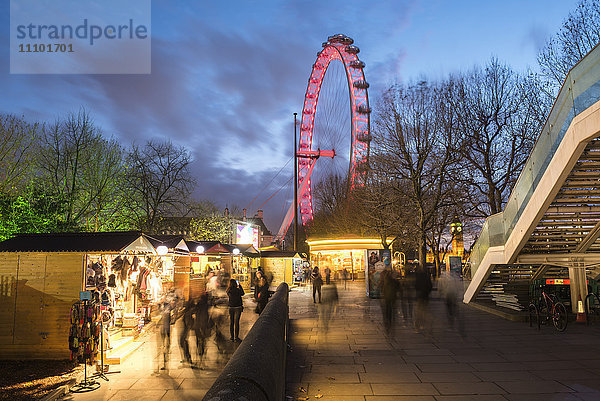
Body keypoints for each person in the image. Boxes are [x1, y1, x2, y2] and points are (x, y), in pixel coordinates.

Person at [379, 266, 399, 334]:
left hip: (387, 296)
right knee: (391, 308)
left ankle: (387, 318)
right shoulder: (393, 280)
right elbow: (398, 287)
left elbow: (381, 286)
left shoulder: (385, 279)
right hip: (392, 296)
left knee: (387, 308)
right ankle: (390, 319)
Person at [193, 292, 211, 366]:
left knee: (199, 341)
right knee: (203, 342)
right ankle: (202, 358)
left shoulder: (198, 305)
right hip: (203, 325)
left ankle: (200, 358)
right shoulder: (206, 306)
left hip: (198, 325)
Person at [414, 263, 432, 331]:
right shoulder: (427, 276)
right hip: (425, 295)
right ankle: (425, 323)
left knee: (419, 310)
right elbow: (430, 286)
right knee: (424, 309)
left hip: (420, 295)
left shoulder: (418, 277)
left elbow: (416, 286)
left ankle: (418, 324)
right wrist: (427, 292)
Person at [178, 299, 194, 365]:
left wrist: (187, 329)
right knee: (183, 343)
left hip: (185, 329)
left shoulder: (188, 313)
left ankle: (188, 358)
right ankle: (187, 358)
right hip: (185, 329)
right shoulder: (187, 312)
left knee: (182, 342)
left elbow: (189, 323)